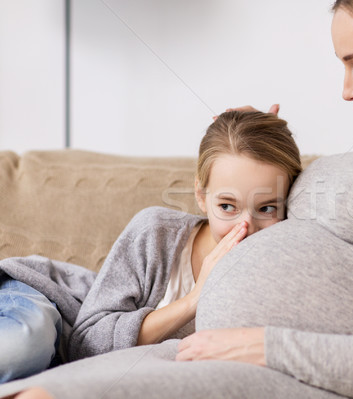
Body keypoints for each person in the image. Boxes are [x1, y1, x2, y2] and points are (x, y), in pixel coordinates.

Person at [0, 0, 353, 398]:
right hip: (206, 349)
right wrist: (249, 140)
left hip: (276, 370)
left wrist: (259, 345)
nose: (347, 89)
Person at [0, 110, 301, 382]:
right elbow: (86, 344)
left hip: (57, 366)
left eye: (266, 209)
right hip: (42, 300)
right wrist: (194, 299)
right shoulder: (156, 233)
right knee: (22, 347)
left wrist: (261, 133)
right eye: (227, 206)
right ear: (201, 194)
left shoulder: (285, 265)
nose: (244, 229)